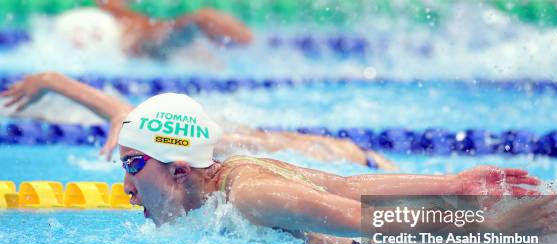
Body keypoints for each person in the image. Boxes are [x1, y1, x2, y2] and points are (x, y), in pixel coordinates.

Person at [113, 93, 557, 244]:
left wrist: (495, 228)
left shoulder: (247, 195)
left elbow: (368, 219)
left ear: (177, 169)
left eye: (132, 165)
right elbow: (348, 184)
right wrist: (453, 184)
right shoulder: (236, 170)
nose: (126, 187)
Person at [0, 72, 397, 169]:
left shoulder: (214, 146)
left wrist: (53, 81)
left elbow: (125, 112)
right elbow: (124, 112)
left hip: (356, 158)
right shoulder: (179, 142)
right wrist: (52, 81)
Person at [53, 0, 252, 58]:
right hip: (146, 43)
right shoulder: (109, 7)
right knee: (205, 17)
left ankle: (249, 48)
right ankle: (251, 48)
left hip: (149, 45)